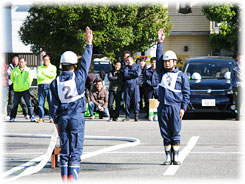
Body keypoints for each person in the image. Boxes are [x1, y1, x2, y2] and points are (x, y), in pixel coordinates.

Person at [50, 26, 93, 182]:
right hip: (76, 117)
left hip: (62, 119)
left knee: (65, 152)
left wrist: (56, 123)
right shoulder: (79, 78)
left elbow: (53, 107)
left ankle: (64, 180)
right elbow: (86, 63)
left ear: (61, 65)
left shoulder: (54, 83)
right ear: (75, 65)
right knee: (75, 152)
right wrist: (89, 43)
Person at [156, 29, 190, 165]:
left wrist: (183, 108)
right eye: (165, 62)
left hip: (176, 107)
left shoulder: (181, 75)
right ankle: (168, 157)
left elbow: (187, 93)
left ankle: (176, 157)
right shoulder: (160, 73)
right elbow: (158, 58)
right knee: (165, 133)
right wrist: (160, 42)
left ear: (175, 62)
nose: (167, 63)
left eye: (169, 61)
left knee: (175, 132)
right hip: (163, 107)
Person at [9, 57, 36, 122]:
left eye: (22, 62)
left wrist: (27, 85)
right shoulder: (15, 70)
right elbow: (12, 78)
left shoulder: (28, 70)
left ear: (25, 62)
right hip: (17, 90)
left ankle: (31, 116)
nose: (21, 63)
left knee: (28, 104)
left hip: (25, 89)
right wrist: (16, 84)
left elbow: (30, 78)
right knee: (15, 105)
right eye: (20, 62)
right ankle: (12, 117)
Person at [36, 54, 57, 123]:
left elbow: (53, 76)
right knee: (40, 103)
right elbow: (39, 76)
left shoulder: (53, 67)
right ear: (43, 60)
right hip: (41, 86)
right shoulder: (39, 68)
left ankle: (51, 118)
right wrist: (47, 76)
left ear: (49, 60)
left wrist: (44, 74)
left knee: (51, 103)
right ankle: (41, 118)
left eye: (47, 60)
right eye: (44, 60)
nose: (46, 61)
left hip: (49, 86)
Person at [123, 56, 141, 121]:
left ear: (132, 60)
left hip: (135, 85)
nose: (127, 61)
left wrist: (130, 73)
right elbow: (125, 75)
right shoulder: (126, 67)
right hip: (127, 86)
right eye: (127, 60)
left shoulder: (138, 66)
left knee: (136, 100)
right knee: (127, 101)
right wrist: (133, 73)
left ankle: (136, 115)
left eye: (128, 60)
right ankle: (127, 115)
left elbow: (137, 74)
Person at [231, 55, 242, 120]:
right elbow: (232, 77)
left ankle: (240, 114)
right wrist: (232, 85)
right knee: (237, 100)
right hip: (236, 85)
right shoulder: (234, 66)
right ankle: (238, 114)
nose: (240, 59)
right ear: (237, 58)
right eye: (239, 58)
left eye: (242, 58)